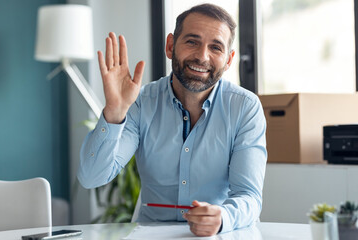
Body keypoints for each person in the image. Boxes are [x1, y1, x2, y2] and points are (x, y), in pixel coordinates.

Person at [78, 3, 267, 237]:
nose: (202, 56)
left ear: (228, 60)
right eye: (192, 42)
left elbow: (249, 196)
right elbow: (91, 177)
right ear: (170, 46)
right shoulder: (141, 102)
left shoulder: (245, 108)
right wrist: (115, 112)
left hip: (219, 235)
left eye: (215, 47)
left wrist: (222, 218)